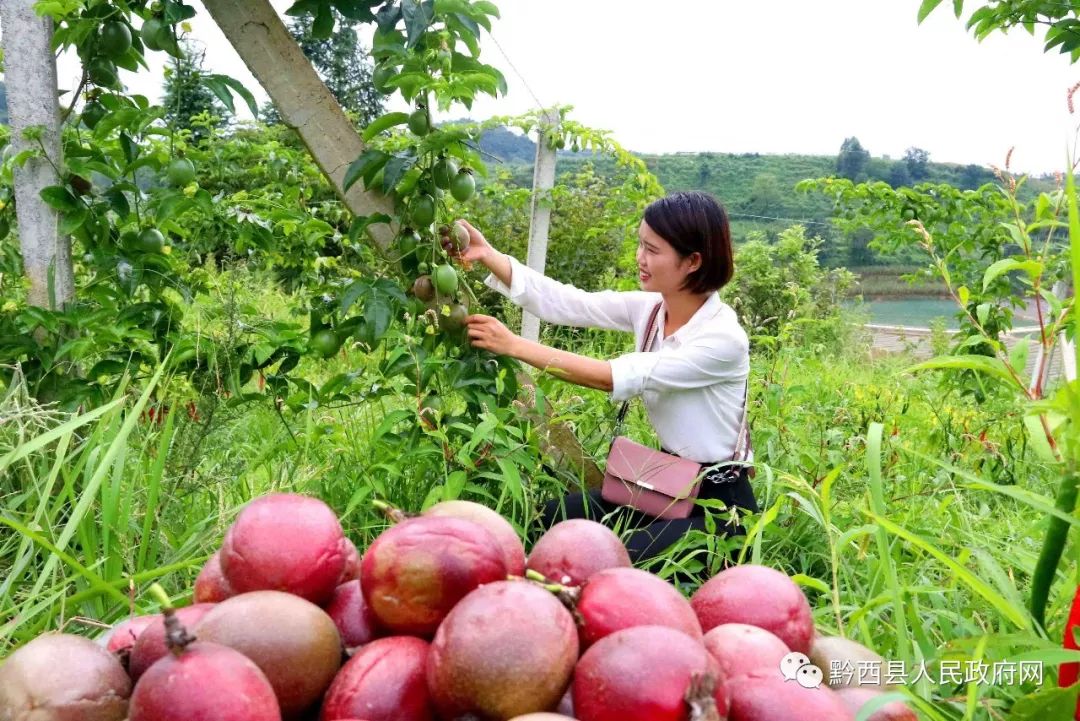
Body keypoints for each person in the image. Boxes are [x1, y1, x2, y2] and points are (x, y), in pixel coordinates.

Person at [446, 190, 757, 565]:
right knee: (550, 521)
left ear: (692, 261)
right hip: (666, 484)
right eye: (641, 244)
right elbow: (570, 302)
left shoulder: (723, 339)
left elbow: (611, 377)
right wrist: (489, 256)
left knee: (618, 564)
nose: (641, 259)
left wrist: (513, 345)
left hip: (719, 508)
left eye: (653, 250)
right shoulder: (652, 309)